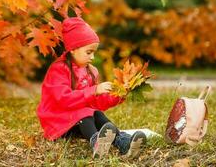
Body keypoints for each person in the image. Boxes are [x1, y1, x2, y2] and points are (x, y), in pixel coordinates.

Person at [37, 17, 146, 158]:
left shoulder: (91, 71)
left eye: (94, 52)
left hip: (79, 121)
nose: (93, 57)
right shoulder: (59, 70)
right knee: (84, 112)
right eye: (89, 52)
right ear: (72, 50)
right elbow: (63, 100)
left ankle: (121, 141)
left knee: (96, 113)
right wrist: (94, 90)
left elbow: (96, 102)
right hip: (58, 121)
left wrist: (118, 94)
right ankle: (96, 142)